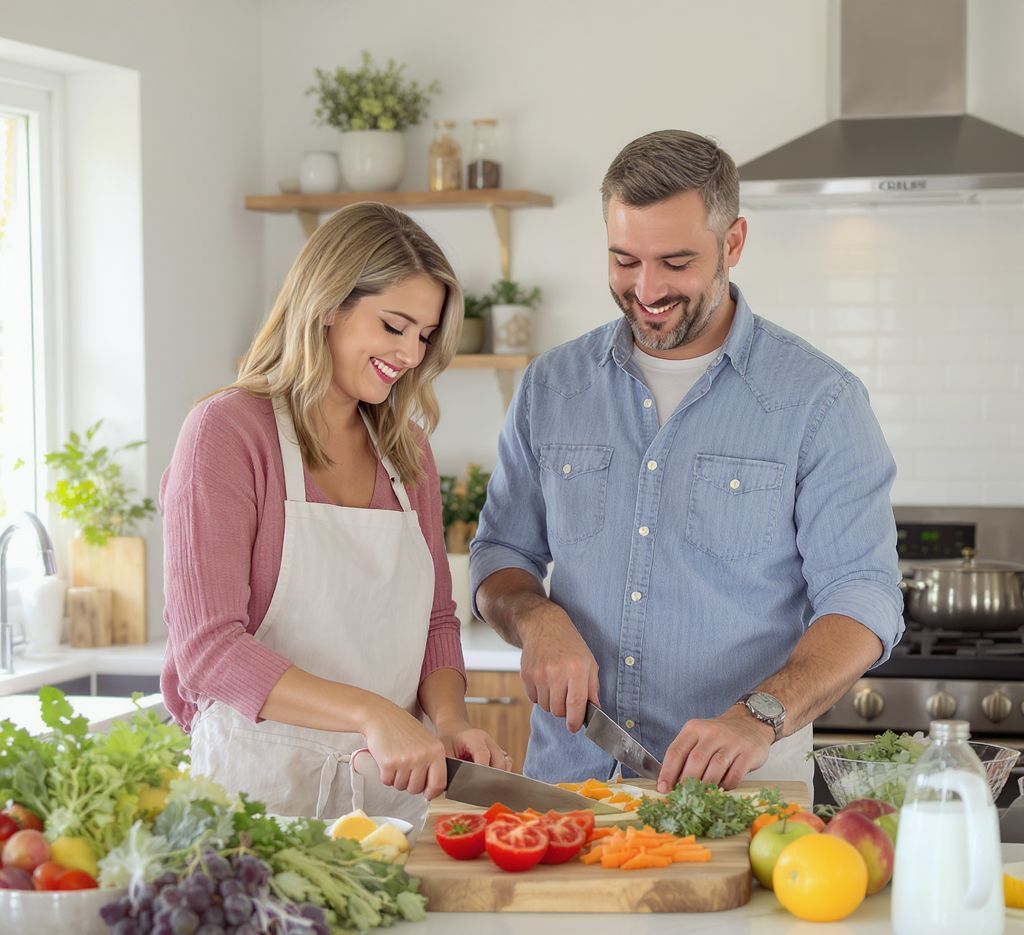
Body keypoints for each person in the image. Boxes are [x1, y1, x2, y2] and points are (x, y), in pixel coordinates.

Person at [470, 130, 904, 800]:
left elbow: (863, 598)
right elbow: (500, 554)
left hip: (741, 794)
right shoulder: (552, 387)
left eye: (675, 262)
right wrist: (535, 618)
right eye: (624, 261)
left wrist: (758, 715)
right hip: (572, 787)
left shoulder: (819, 401)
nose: (647, 289)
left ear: (733, 242)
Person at [161, 202, 506, 826]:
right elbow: (208, 651)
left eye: (424, 336)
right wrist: (373, 713)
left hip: (391, 800)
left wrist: (451, 720)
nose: (410, 354)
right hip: (259, 802)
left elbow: (434, 620)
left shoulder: (408, 451)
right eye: (395, 326)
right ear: (328, 305)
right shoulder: (227, 432)